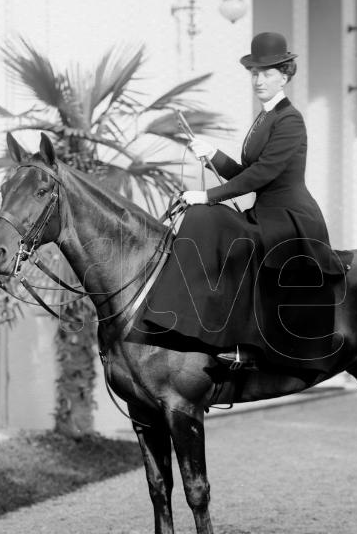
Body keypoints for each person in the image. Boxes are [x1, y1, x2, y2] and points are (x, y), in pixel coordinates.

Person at [136, 31, 341, 373]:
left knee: (205, 217)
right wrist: (212, 155)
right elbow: (247, 171)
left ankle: (234, 341)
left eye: (267, 73)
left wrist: (207, 195)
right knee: (203, 219)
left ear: (285, 75)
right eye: (254, 73)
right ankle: (182, 323)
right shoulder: (264, 117)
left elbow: (262, 175)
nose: (259, 80)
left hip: (290, 218)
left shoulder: (290, 119)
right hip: (264, 213)